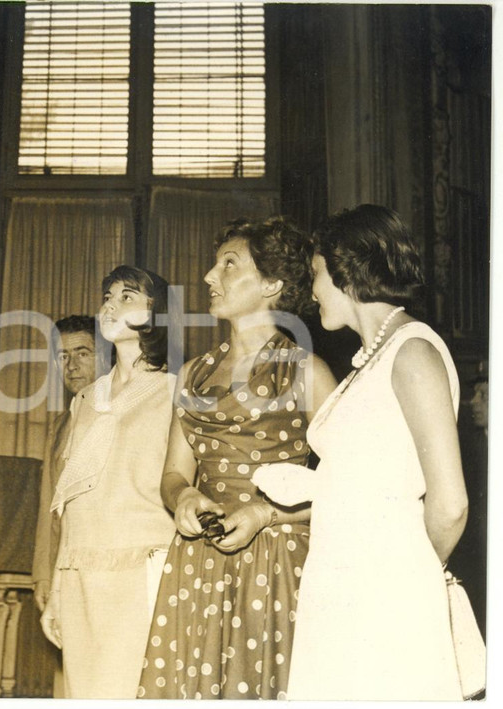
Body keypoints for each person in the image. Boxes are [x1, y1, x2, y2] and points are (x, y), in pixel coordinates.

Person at [253, 204, 468, 699]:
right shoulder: (364, 363)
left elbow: (451, 504)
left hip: (384, 590)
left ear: (347, 270)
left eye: (316, 274)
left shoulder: (413, 352)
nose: (311, 290)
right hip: (341, 580)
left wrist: (405, 576)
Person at [138, 217, 336, 700]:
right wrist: (183, 496)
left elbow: (347, 486)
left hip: (277, 559)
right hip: (199, 562)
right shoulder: (193, 375)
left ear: (273, 284)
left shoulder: (308, 371)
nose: (210, 276)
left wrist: (267, 513)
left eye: (229, 264)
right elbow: (173, 472)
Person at [40, 266, 177, 699]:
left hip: (142, 574)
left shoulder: (176, 392)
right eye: (107, 295)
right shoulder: (84, 401)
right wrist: (59, 589)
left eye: (128, 296)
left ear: (156, 314)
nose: (110, 305)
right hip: (82, 576)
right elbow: (72, 507)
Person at [31, 315, 107, 613]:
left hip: (109, 566)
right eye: (63, 355)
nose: (72, 365)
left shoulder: (121, 416)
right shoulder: (60, 427)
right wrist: (42, 574)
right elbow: (48, 506)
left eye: (83, 354)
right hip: (65, 566)